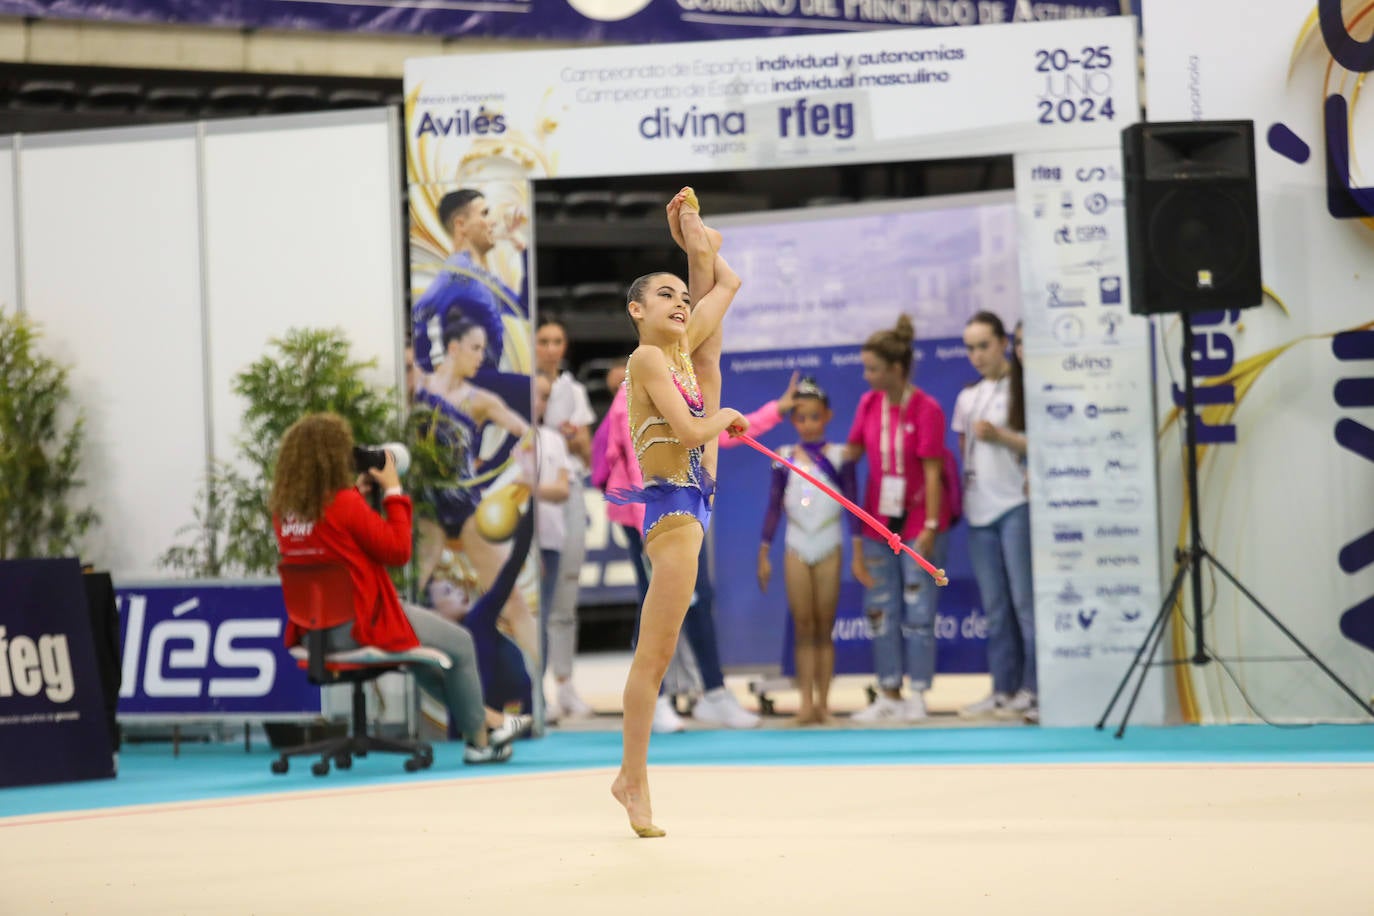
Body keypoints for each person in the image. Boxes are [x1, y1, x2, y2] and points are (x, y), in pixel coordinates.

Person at [606, 188, 748, 838]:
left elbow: (730, 282)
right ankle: (631, 777)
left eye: (681, 295)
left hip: (699, 501)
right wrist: (726, 418)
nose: (680, 302)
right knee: (654, 658)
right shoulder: (646, 357)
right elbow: (693, 432)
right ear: (637, 309)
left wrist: (696, 241)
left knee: (709, 354)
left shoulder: (680, 352)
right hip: (672, 516)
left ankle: (693, 241)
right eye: (665, 295)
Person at [271, 412, 530, 764]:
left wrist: (356, 500)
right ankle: (482, 741)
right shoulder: (343, 504)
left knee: (426, 662)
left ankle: (488, 725)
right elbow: (397, 550)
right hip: (363, 623)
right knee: (460, 643)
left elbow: (334, 540)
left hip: (316, 633)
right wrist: (393, 490)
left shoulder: (285, 511)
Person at [597, 363, 799, 733]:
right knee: (656, 606)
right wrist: (653, 527)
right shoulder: (637, 384)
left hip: (680, 511)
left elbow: (711, 433)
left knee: (699, 598)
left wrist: (776, 410)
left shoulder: (677, 383)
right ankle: (654, 702)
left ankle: (713, 694)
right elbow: (636, 461)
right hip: (647, 516)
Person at [843, 315, 961, 724]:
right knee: (880, 608)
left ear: (895, 369)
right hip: (879, 522)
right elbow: (852, 453)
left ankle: (920, 694)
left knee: (918, 607)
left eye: (872, 368)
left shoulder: (926, 408)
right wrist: (810, 454)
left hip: (917, 523)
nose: (866, 375)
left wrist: (929, 525)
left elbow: (932, 472)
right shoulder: (867, 404)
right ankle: (889, 691)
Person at [411, 313, 540, 667]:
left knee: (508, 597)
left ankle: (537, 690)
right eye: (474, 348)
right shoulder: (418, 385)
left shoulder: (480, 399)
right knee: (411, 591)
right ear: (452, 348)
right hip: (428, 507)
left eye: (483, 349)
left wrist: (504, 469)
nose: (481, 357)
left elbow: (526, 433)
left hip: (464, 505)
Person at [953, 312, 1036, 723]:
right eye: (970, 347)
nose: (977, 355)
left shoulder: (1023, 388)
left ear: (1003, 343)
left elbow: (1040, 444)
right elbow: (965, 451)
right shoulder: (967, 396)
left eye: (984, 345)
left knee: (1025, 605)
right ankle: (1002, 689)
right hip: (979, 510)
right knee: (996, 608)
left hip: (1014, 507)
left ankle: (1034, 689)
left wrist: (1002, 436)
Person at [757, 377, 854, 725]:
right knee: (803, 625)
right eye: (801, 418)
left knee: (824, 625)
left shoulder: (840, 456)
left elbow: (854, 507)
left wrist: (857, 551)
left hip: (829, 544)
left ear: (826, 415)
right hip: (796, 544)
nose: (808, 424)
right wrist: (763, 551)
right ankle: (805, 703)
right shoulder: (783, 458)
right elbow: (773, 507)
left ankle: (823, 704)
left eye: (815, 417)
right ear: (793, 421)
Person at [535, 316, 598, 721]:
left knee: (565, 593)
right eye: (544, 340)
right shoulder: (516, 387)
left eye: (558, 340)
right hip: (528, 494)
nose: (552, 348)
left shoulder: (573, 391)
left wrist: (574, 439)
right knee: (532, 599)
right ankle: (531, 690)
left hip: (567, 491)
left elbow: (588, 456)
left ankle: (565, 685)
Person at [412, 188, 522, 375]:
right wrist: (430, 375)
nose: (493, 222)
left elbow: (524, 309)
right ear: (461, 224)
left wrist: (521, 247)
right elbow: (419, 314)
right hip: (475, 378)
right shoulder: (458, 272)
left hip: (487, 375)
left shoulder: (480, 275)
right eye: (485, 214)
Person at [532, 375, 572, 719]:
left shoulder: (554, 440)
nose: (540, 403)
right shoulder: (506, 438)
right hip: (521, 543)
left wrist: (525, 487)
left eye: (545, 397)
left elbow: (563, 490)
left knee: (543, 618)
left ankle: (538, 695)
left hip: (549, 541)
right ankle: (526, 694)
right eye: (535, 395)